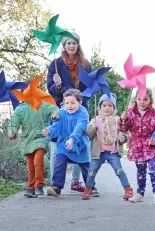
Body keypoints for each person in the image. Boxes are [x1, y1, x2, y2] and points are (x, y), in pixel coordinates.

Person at [46, 31, 92, 193]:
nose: (72, 46)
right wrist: (58, 86)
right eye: (68, 43)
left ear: (78, 44)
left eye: (74, 43)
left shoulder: (85, 64)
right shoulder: (55, 65)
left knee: (79, 142)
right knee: (58, 145)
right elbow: (50, 89)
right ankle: (55, 184)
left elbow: (89, 88)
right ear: (64, 46)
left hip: (80, 108)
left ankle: (76, 182)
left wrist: (77, 98)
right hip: (62, 107)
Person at [8, 80, 59, 198]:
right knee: (30, 165)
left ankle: (39, 185)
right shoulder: (20, 109)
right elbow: (13, 123)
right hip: (28, 140)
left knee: (38, 160)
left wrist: (55, 115)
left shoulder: (43, 104)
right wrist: (12, 132)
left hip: (41, 137)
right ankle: (30, 188)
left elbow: (54, 109)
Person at [82, 93, 133, 200]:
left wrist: (123, 138)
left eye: (110, 106)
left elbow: (126, 132)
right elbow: (89, 135)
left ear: (114, 108)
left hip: (112, 152)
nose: (107, 108)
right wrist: (93, 128)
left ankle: (128, 189)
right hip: (98, 152)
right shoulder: (95, 120)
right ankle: (88, 189)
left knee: (119, 170)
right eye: (104, 105)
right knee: (91, 171)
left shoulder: (118, 120)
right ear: (100, 107)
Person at [43, 89, 91, 198]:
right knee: (59, 161)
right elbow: (57, 127)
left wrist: (72, 139)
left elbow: (80, 128)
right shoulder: (61, 113)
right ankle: (57, 187)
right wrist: (49, 130)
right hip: (64, 144)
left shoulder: (83, 113)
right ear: (63, 103)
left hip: (79, 145)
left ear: (80, 102)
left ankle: (90, 186)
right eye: (67, 103)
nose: (69, 105)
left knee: (86, 167)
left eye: (73, 103)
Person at [119, 89, 155, 203]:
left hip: (151, 145)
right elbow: (123, 129)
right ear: (135, 99)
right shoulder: (130, 113)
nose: (142, 102)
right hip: (137, 146)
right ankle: (140, 193)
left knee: (153, 167)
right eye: (139, 99)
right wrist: (123, 120)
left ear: (150, 100)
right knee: (141, 170)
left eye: (145, 99)